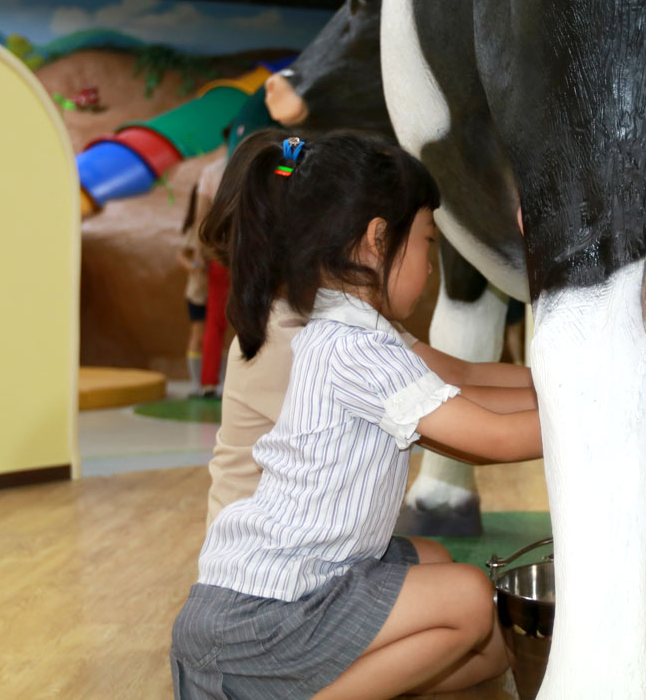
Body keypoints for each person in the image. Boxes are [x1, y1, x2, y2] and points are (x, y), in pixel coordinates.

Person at [171, 131, 542, 700]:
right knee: (466, 597)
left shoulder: (347, 326)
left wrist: (558, 388)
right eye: (426, 242)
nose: (431, 264)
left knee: (488, 641)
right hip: (264, 609)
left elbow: (459, 381)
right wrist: (602, 411)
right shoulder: (336, 344)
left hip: (312, 570)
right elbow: (483, 434)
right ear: (376, 239)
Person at [176, 184, 210, 396]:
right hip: (197, 292)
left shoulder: (212, 226)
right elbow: (180, 255)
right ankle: (196, 383)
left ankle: (214, 380)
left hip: (215, 290)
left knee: (215, 336)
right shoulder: (194, 229)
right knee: (197, 335)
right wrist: (194, 267)